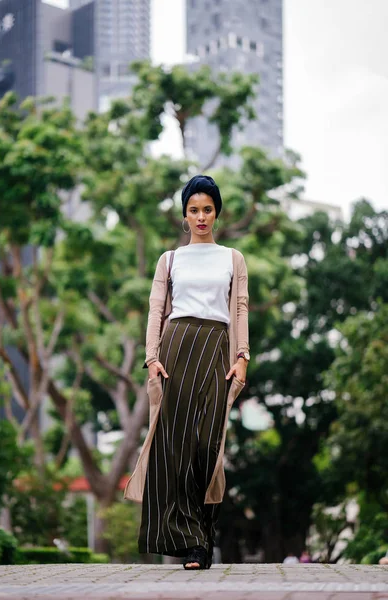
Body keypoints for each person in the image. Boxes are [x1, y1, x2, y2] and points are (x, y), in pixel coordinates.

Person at [124, 174, 250, 570]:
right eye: (193, 210)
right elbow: (156, 310)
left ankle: (203, 533)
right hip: (176, 350)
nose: (201, 216)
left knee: (206, 446)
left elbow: (241, 307)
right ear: (184, 215)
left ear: (217, 213)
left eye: (207, 209)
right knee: (173, 448)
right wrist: (152, 357)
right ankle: (193, 542)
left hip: (216, 349)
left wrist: (242, 356)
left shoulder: (232, 258)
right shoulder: (170, 259)